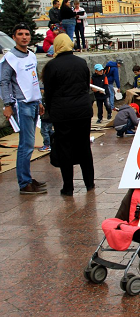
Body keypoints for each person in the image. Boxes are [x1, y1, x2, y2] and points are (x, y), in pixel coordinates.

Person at [43, 33, 94, 196]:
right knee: (84, 146)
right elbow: (86, 85)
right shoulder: (81, 62)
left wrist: (51, 111)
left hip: (62, 113)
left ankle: (68, 187)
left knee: (65, 148)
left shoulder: (52, 66)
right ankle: (89, 183)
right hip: (82, 111)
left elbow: (49, 92)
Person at [0, 23, 47, 194]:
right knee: (25, 145)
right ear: (14, 37)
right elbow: (4, 82)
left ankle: (27, 177)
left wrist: (40, 101)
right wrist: (7, 105)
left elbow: (34, 79)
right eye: (20, 34)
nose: (24, 37)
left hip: (34, 103)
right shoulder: (9, 59)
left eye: (27, 34)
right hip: (21, 104)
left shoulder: (32, 56)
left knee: (30, 143)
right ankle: (24, 183)